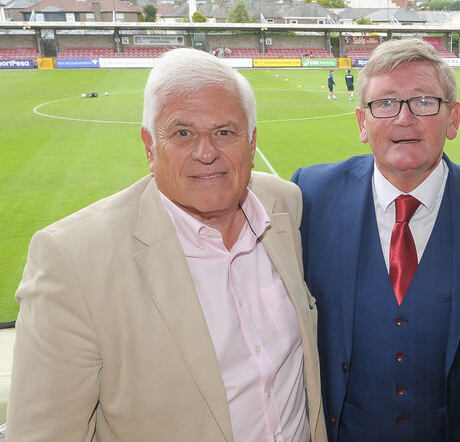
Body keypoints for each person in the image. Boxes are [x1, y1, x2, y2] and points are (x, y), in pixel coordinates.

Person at [7, 48, 326, 442]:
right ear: (148, 145)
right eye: (182, 133)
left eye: (225, 132)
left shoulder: (283, 204)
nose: (206, 153)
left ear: (252, 141)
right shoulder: (72, 259)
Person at [292, 38, 460, 442]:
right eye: (384, 103)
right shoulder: (309, 195)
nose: (404, 119)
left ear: (452, 119)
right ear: (361, 123)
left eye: (423, 101)